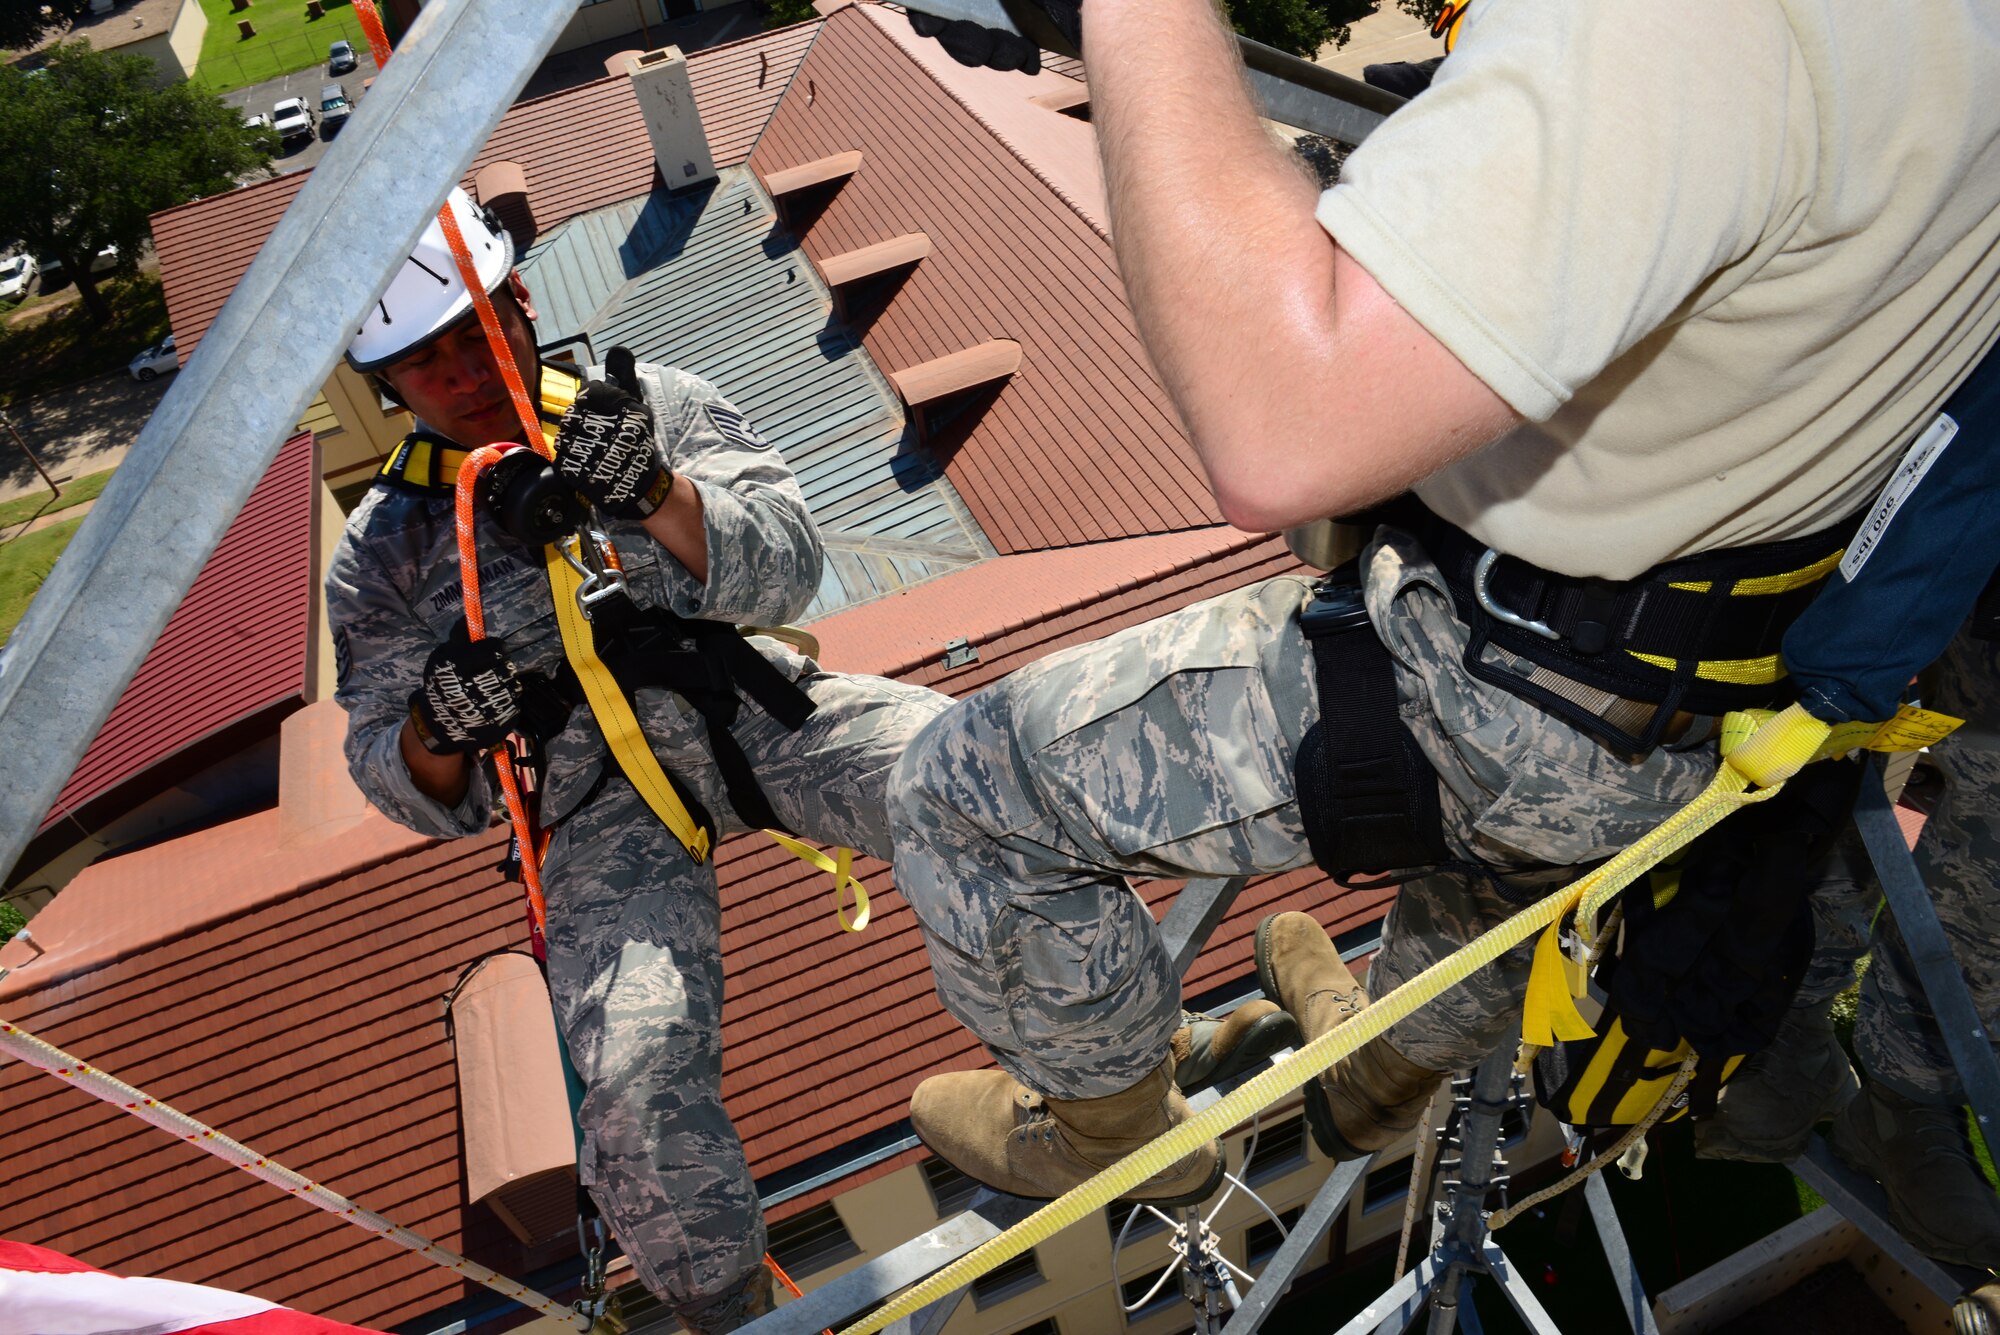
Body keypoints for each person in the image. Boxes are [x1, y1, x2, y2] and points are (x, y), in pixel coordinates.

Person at [891, 0, 2000, 1213]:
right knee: (1502, 868)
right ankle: (1377, 1068)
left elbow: (1283, 429)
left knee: (962, 795)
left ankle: (1107, 1122)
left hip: (1511, 687)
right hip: (1719, 692)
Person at [323, 189, 953, 1334]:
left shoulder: (648, 406)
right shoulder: (389, 551)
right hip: (596, 808)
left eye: (475, 331)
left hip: (747, 710)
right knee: (631, 1076)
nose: (462, 374)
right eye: (425, 364)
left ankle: (1094, 1072)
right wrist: (437, 731)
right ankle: (727, 1310)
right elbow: (388, 765)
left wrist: (657, 493)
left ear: (520, 303)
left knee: (966, 774)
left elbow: (790, 567)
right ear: (391, 392)